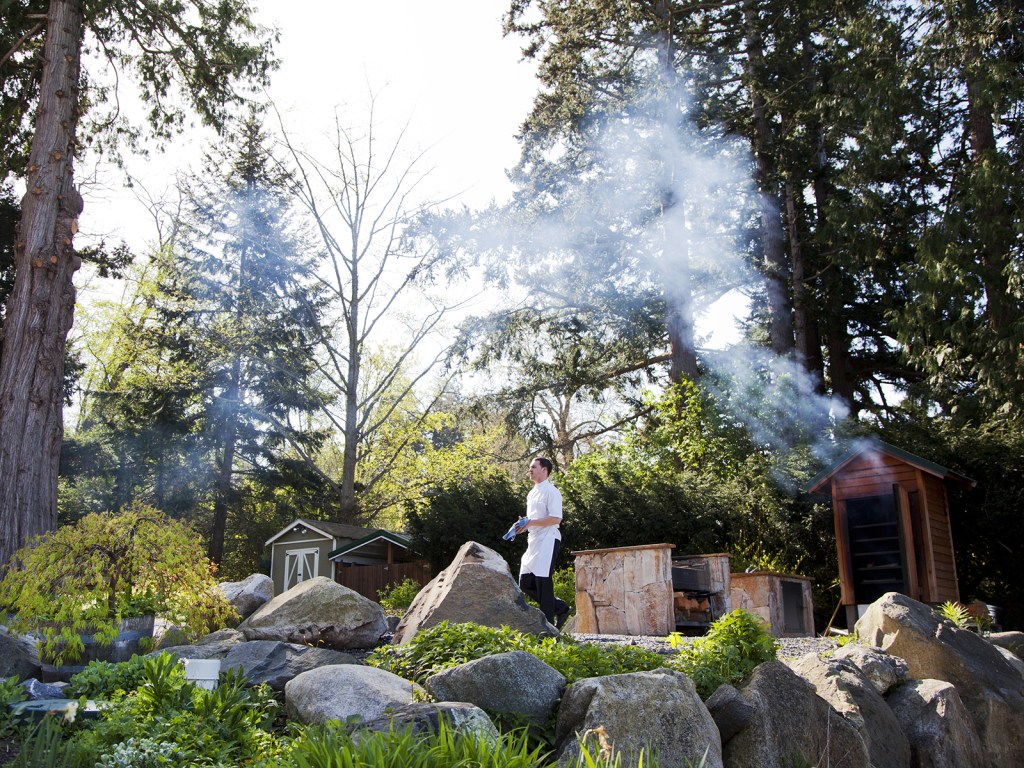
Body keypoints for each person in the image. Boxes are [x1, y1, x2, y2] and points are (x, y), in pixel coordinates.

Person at [514, 457, 571, 630]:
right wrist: (523, 525)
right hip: (533, 541)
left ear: (544, 470)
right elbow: (533, 519)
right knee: (525, 582)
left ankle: (548, 628)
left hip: (548, 539)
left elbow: (556, 519)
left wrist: (531, 523)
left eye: (533, 467)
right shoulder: (531, 493)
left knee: (543, 581)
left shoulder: (552, 491)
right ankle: (560, 608)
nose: (530, 469)